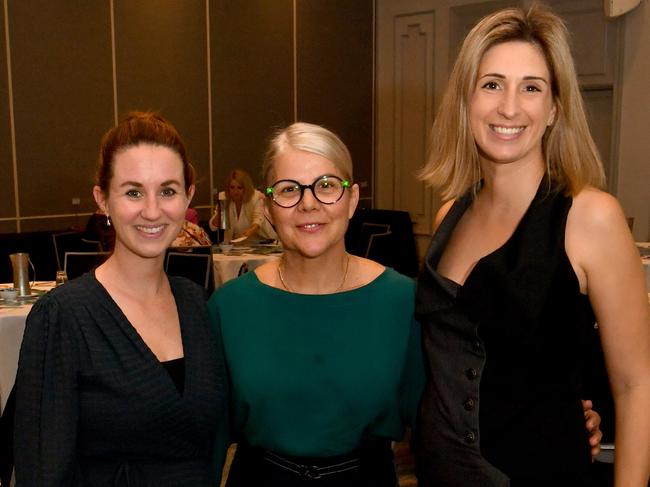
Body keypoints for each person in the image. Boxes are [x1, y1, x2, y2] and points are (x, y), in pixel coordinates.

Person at [207, 122, 602, 486]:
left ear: (352, 198)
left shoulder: (403, 301)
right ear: (270, 207)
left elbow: (461, 400)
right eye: (290, 189)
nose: (309, 204)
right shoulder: (229, 308)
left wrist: (559, 417)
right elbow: (200, 434)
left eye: (326, 185)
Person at [414, 5, 650, 487]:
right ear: (466, 99)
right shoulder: (448, 217)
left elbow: (636, 385)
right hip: (439, 471)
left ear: (554, 108)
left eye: (532, 87)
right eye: (492, 84)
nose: (509, 107)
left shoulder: (591, 217)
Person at [14, 111, 229, 486]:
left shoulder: (195, 302)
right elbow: (43, 469)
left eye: (167, 190)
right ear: (103, 200)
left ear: (188, 198)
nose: (152, 210)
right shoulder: (63, 316)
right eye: (133, 192)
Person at [208, 168, 277, 242]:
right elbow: (213, 227)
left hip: (260, 242)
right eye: (232, 187)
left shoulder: (255, 197)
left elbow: (258, 219)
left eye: (239, 188)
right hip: (233, 246)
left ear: (246, 188)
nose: (235, 191)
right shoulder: (225, 198)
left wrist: (250, 231)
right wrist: (221, 212)